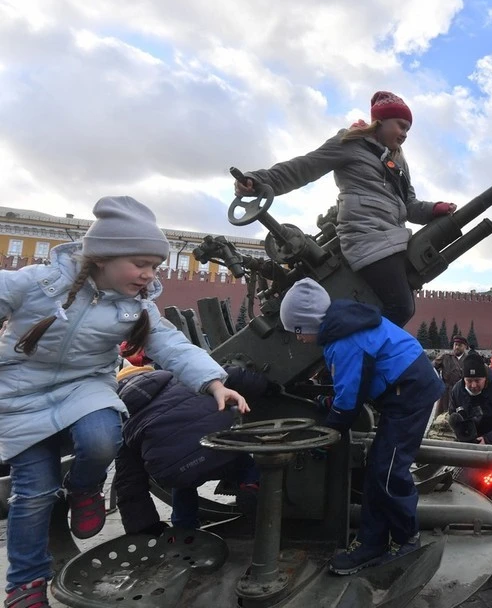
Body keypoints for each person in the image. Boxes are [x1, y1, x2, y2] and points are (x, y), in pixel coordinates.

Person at [0, 196, 249, 608]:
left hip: (85, 386)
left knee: (102, 438)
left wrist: (214, 383)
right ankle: (25, 584)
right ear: (103, 257)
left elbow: (173, 347)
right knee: (32, 495)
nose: (150, 275)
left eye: (155, 265)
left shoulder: (137, 308)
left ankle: (84, 487)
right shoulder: (39, 285)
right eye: (141, 264)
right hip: (21, 393)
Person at [235, 91, 457, 327]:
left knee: (397, 306)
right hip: (366, 236)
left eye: (408, 130)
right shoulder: (350, 143)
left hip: (392, 239)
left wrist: (435, 209)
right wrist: (257, 181)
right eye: (401, 126)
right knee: (401, 307)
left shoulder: (398, 161)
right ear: (380, 121)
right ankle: (353, 351)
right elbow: (304, 167)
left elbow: (409, 206)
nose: (404, 134)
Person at [279, 278, 442, 575]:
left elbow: (349, 401)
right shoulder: (342, 327)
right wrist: (330, 404)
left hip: (410, 394)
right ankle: (372, 541)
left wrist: (326, 437)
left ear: (309, 324)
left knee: (389, 472)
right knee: (377, 471)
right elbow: (350, 388)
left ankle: (407, 541)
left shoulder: (343, 341)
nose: (298, 339)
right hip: (401, 392)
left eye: (298, 331)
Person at [113, 364, 269, 535]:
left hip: (178, 468)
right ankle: (250, 485)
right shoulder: (186, 377)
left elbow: (128, 482)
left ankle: (184, 529)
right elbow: (232, 374)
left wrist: (145, 529)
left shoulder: (125, 419)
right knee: (242, 461)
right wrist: (268, 386)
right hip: (220, 446)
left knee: (182, 486)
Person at [433, 335, 468, 414]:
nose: (457, 347)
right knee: (441, 417)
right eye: (455, 345)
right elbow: (432, 368)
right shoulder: (445, 357)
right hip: (446, 392)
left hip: (461, 392)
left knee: (459, 416)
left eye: (460, 345)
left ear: (465, 347)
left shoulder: (468, 360)